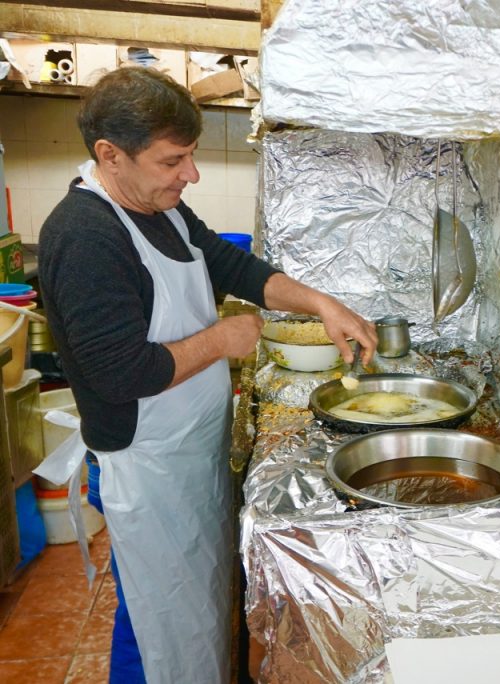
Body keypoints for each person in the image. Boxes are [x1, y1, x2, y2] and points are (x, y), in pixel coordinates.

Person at [36, 66, 377, 684]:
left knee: (199, 611)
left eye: (190, 157)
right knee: (156, 620)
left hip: (189, 452)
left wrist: (324, 304)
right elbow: (121, 373)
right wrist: (224, 339)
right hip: (146, 464)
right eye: (174, 161)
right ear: (109, 156)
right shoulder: (84, 237)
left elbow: (234, 267)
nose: (189, 175)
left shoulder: (160, 209)